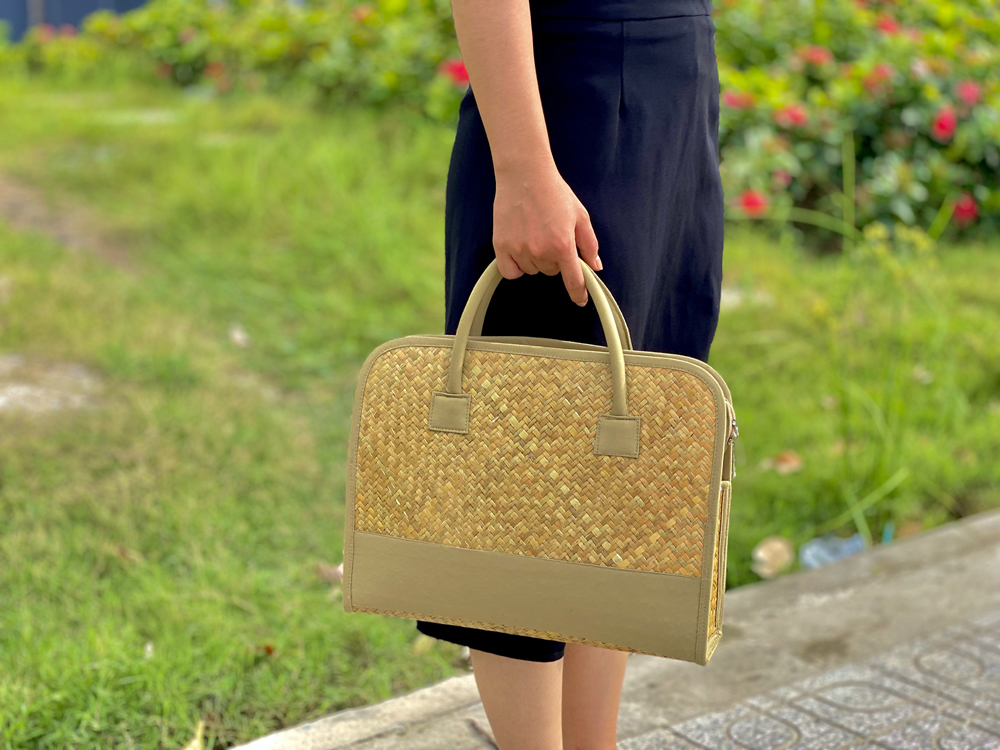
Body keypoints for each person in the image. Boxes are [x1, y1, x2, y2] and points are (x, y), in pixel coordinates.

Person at [416, 0, 725, 746]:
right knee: (526, 483)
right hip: (571, 96)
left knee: (623, 473)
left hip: (675, 92)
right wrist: (524, 168)